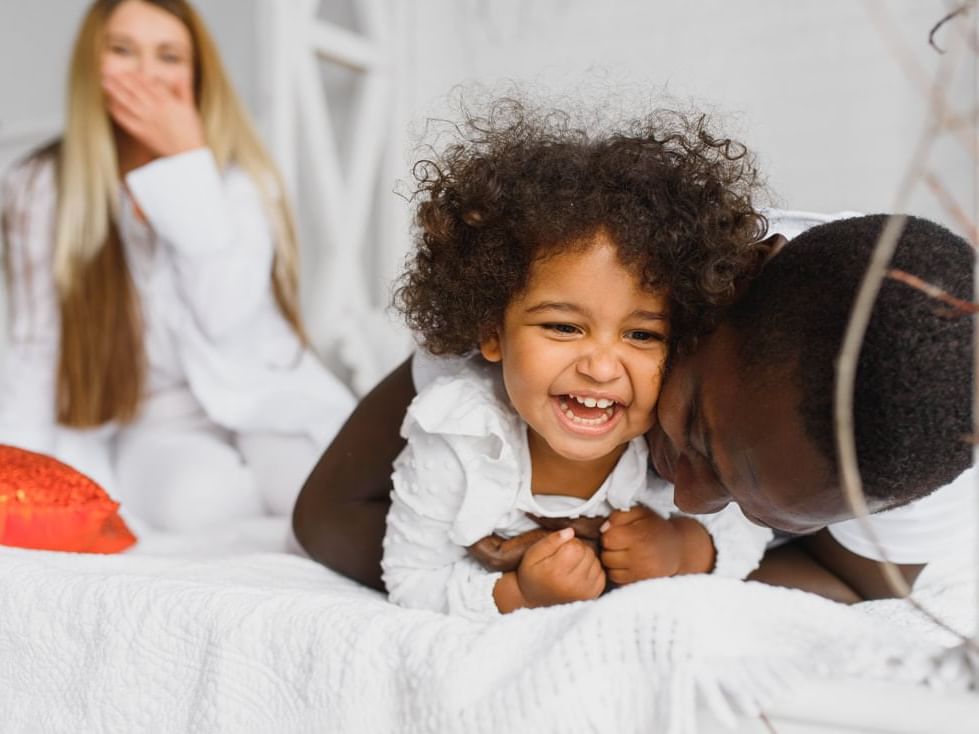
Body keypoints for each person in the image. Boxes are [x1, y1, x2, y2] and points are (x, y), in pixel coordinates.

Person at [294, 202, 974, 603]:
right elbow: (328, 513)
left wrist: (673, 560)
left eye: (742, 505)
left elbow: (850, 584)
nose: (688, 498)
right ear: (723, 290)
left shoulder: (927, 458)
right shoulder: (570, 290)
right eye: (697, 436)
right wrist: (522, 580)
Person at [381, 105, 774, 618]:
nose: (602, 368)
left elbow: (750, 526)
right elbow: (411, 580)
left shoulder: (671, 434)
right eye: (563, 327)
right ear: (492, 333)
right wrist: (521, 594)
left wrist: (683, 548)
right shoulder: (459, 438)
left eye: (641, 334)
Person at [0, 0, 354, 532]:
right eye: (123, 51)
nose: (146, 73)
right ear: (91, 67)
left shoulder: (241, 177)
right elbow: (35, 347)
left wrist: (185, 169)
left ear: (195, 74)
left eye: (168, 56)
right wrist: (19, 477)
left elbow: (227, 315)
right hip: (154, 423)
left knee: (318, 494)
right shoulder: (40, 186)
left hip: (267, 396)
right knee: (199, 504)